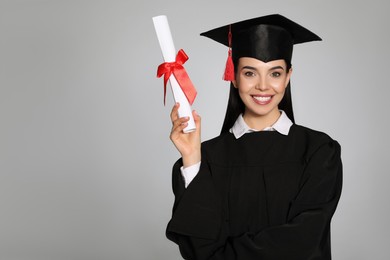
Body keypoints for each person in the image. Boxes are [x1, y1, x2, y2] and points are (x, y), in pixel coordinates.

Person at [166, 14, 342, 260]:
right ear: (234, 77)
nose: (262, 86)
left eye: (275, 73)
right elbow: (196, 246)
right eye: (250, 73)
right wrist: (193, 158)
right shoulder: (206, 160)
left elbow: (304, 240)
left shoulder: (318, 151)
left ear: (288, 76)